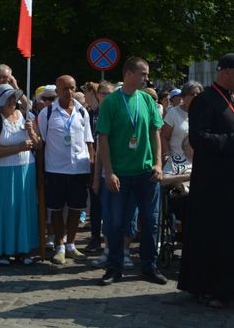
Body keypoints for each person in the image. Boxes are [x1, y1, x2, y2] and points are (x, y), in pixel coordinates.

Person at [96, 57, 166, 286]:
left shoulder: (146, 100)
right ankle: (113, 268)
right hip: (121, 174)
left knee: (150, 221)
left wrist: (157, 163)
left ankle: (149, 267)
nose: (147, 78)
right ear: (128, 74)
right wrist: (109, 172)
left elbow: (155, 133)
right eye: (143, 74)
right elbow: (103, 139)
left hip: (147, 172)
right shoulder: (112, 102)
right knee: (116, 222)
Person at [178, 53, 234, 308]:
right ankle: (208, 287)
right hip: (211, 182)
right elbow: (198, 138)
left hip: (227, 181)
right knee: (211, 236)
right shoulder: (205, 100)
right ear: (226, 72)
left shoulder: (229, 99)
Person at [38, 76, 94, 265]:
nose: (69, 92)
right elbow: (42, 142)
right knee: (56, 208)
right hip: (55, 169)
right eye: (64, 89)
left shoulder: (82, 112)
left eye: (72, 88)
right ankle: (59, 246)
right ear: (57, 90)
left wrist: (92, 165)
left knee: (76, 209)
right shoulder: (47, 113)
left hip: (79, 167)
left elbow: (89, 141)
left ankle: (71, 244)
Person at [0, 84, 41, 265]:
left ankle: (24, 250)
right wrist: (18, 147)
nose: (12, 101)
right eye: (8, 98)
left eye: (13, 97)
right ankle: (3, 250)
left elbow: (38, 145)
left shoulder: (28, 117)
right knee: (6, 209)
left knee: (23, 209)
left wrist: (32, 132)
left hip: (26, 169)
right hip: (2, 172)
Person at [160, 81, 203, 175]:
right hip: (176, 161)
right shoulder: (173, 113)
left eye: (198, 94)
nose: (196, 96)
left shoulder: (203, 114)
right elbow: (163, 136)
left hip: (197, 162)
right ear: (183, 97)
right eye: (192, 94)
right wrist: (167, 155)